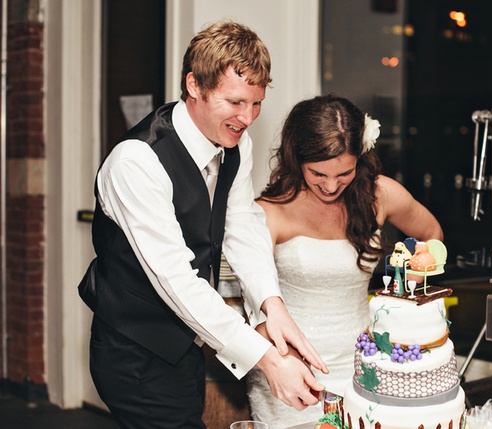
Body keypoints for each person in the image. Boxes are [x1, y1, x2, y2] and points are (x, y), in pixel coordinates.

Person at [77, 21, 328, 429]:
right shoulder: (136, 162)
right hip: (134, 352)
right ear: (194, 85)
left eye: (256, 103)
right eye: (234, 102)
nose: (247, 117)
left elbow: (242, 224)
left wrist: (270, 304)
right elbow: (175, 278)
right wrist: (266, 359)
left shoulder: (234, 144)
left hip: (186, 344)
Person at [246, 94, 444, 428]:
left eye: (344, 173)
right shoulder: (270, 211)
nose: (331, 185)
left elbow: (431, 234)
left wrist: (402, 295)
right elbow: (253, 309)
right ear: (297, 159)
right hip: (293, 375)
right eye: (318, 173)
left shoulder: (379, 194)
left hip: (365, 369)